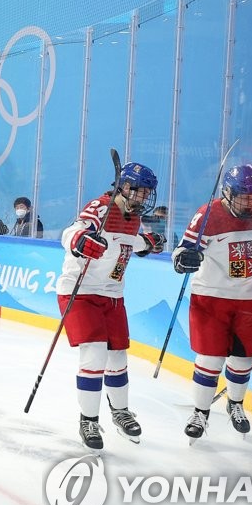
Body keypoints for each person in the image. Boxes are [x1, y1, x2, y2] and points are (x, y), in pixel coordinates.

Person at [171, 163, 252, 441]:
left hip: (249, 299)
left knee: (242, 359)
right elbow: (183, 250)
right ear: (227, 192)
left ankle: (235, 404)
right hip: (211, 298)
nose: (251, 202)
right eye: (245, 196)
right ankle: (200, 413)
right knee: (210, 358)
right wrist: (182, 259)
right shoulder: (207, 215)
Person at [59, 162, 166, 450]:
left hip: (113, 295)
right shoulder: (101, 208)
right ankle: (89, 419)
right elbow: (71, 232)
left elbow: (128, 242)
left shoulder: (133, 217)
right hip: (80, 291)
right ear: (125, 187)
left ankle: (120, 411)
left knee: (117, 357)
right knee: (94, 355)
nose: (144, 199)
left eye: (148, 194)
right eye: (141, 192)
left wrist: (149, 243)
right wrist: (80, 241)